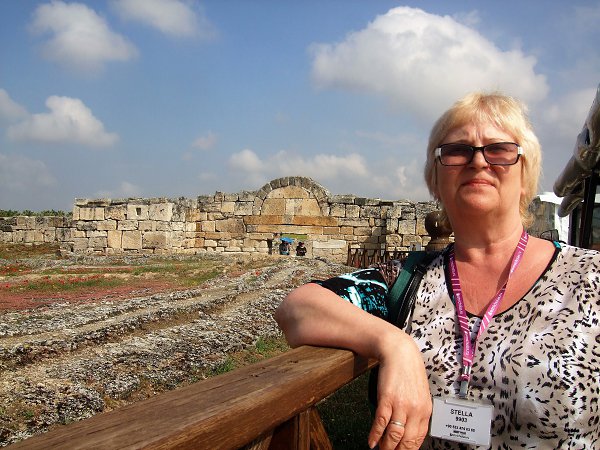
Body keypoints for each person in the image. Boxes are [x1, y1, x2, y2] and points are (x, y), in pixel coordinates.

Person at [275, 92, 600, 449]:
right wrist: (395, 344)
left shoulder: (591, 278)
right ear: (435, 180)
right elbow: (297, 308)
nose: (478, 161)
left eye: (499, 149)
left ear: (525, 175)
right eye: (457, 151)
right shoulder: (406, 279)